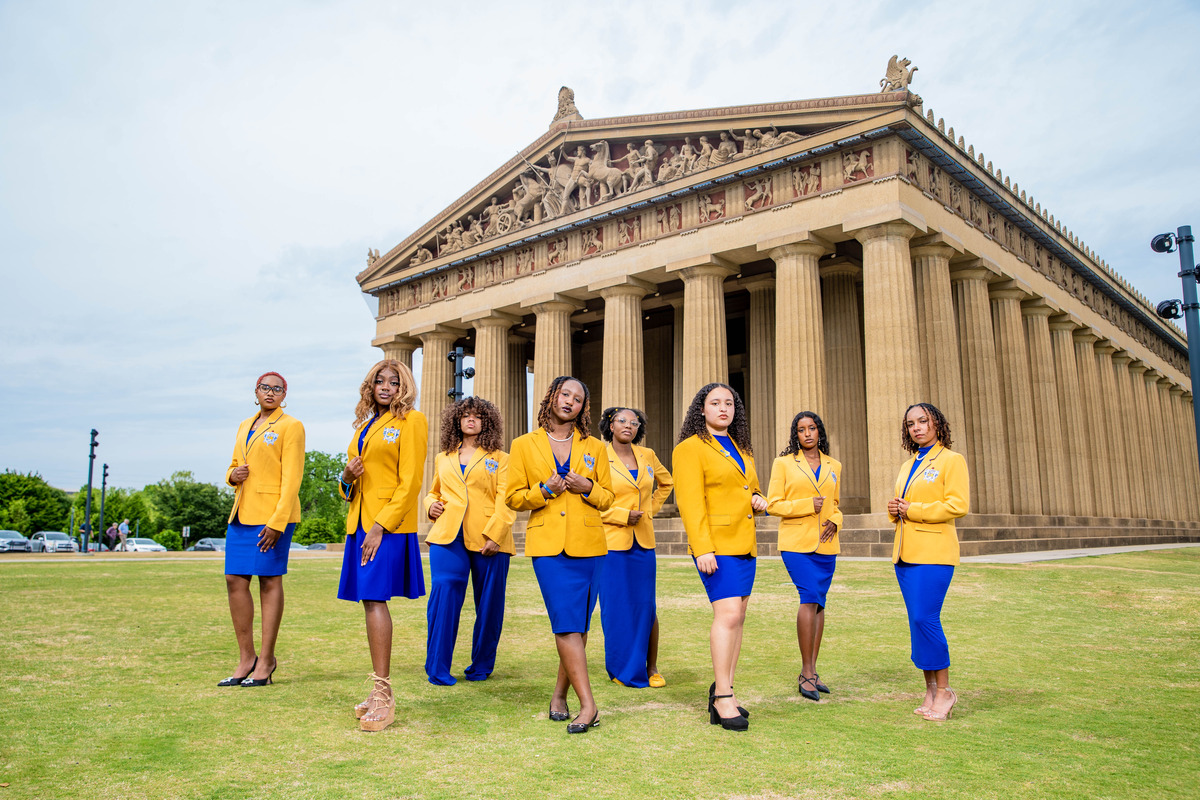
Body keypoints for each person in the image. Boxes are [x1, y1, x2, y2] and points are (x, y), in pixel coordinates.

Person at [505, 376, 614, 734]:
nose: (570, 401)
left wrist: (589, 488)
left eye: (578, 398)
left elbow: (609, 499)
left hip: (590, 545)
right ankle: (589, 705)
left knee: (578, 629)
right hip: (548, 547)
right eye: (565, 394)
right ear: (551, 396)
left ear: (583, 407)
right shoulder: (523, 445)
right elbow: (514, 498)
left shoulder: (595, 447)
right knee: (565, 623)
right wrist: (544, 490)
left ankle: (559, 695)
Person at [337, 360, 428, 732]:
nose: (386, 386)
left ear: (404, 386)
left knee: (375, 599)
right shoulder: (364, 424)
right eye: (380, 380)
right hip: (359, 524)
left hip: (386, 526)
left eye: (394, 381)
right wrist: (345, 478)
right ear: (370, 385)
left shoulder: (412, 421)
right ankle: (378, 689)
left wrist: (379, 527)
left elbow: (410, 484)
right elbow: (352, 486)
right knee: (368, 600)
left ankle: (383, 693)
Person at [672, 383, 766, 731]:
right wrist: (703, 547)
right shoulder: (689, 449)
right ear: (702, 409)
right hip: (717, 546)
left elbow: (748, 486)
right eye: (715, 403)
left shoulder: (741, 447)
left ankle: (725, 690)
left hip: (745, 544)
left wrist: (757, 497)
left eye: (729, 403)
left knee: (738, 617)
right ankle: (723, 697)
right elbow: (690, 502)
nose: (723, 408)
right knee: (726, 615)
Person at [219, 372, 304, 689]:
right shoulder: (244, 425)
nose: (271, 392)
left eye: (277, 388)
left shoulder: (290, 426)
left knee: (269, 581)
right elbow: (232, 466)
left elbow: (293, 477)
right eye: (265, 387)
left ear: (285, 394)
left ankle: (266, 660)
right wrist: (232, 475)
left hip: (273, 517)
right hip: (241, 514)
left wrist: (278, 522)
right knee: (234, 580)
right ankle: (246, 658)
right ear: (255, 392)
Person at [423, 396, 515, 685]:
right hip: (448, 535)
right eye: (465, 416)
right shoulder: (443, 457)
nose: (471, 420)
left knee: (489, 604)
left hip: (489, 538)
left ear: (487, 421)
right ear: (457, 421)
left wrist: (495, 534)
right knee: (443, 594)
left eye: (477, 416)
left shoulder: (501, 458)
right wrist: (430, 506)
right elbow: (433, 492)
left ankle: (481, 666)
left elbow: (506, 499)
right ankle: (437, 669)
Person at [887, 402, 969, 722]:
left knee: (926, 619)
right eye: (911, 424)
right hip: (905, 554)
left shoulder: (951, 460)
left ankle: (946, 690)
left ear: (937, 424)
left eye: (923, 421)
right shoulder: (908, 465)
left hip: (935, 554)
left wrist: (914, 510)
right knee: (916, 623)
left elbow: (957, 505)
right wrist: (894, 510)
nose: (917, 427)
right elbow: (903, 505)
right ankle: (931, 689)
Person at [766, 411, 843, 702]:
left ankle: (811, 670)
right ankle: (807, 672)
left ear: (819, 431)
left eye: (812, 428)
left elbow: (835, 503)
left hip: (826, 544)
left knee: (819, 603)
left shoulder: (834, 465)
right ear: (795, 435)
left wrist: (837, 520)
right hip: (796, 543)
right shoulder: (783, 463)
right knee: (809, 596)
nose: (807, 433)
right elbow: (774, 505)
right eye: (801, 429)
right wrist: (806, 504)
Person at [597, 407, 674, 689]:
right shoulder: (597, 455)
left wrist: (648, 510)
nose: (628, 425)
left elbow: (667, 482)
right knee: (616, 607)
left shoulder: (648, 455)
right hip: (611, 543)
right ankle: (620, 668)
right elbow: (590, 500)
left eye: (634, 422)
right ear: (610, 425)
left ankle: (651, 667)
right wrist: (619, 515)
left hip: (643, 542)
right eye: (622, 421)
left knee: (646, 606)